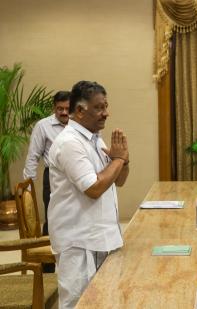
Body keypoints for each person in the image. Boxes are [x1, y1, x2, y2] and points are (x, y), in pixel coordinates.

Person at [47, 81, 130, 309]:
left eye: (106, 106)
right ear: (81, 111)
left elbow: (118, 181)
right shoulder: (69, 143)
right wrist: (118, 160)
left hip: (102, 237)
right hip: (79, 242)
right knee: (79, 304)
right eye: (100, 108)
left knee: (104, 302)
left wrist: (124, 161)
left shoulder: (95, 139)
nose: (106, 113)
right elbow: (93, 188)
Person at [23, 91, 70, 237]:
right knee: (53, 217)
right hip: (52, 176)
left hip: (76, 175)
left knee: (74, 217)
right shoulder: (43, 126)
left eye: (67, 109)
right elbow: (33, 156)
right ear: (53, 108)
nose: (64, 112)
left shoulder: (79, 124)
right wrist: (27, 186)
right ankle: (47, 258)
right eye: (59, 108)